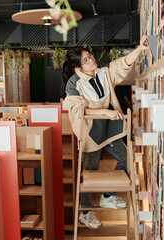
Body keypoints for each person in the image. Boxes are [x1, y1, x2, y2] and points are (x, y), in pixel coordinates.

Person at [61, 36, 149, 229]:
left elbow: (121, 65)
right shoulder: (73, 83)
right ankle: (85, 213)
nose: (91, 60)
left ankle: (107, 196)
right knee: (88, 173)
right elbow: (77, 111)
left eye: (90, 56)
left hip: (108, 129)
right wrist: (105, 111)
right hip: (91, 132)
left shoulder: (103, 73)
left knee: (125, 158)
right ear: (78, 67)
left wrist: (139, 49)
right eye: (85, 60)